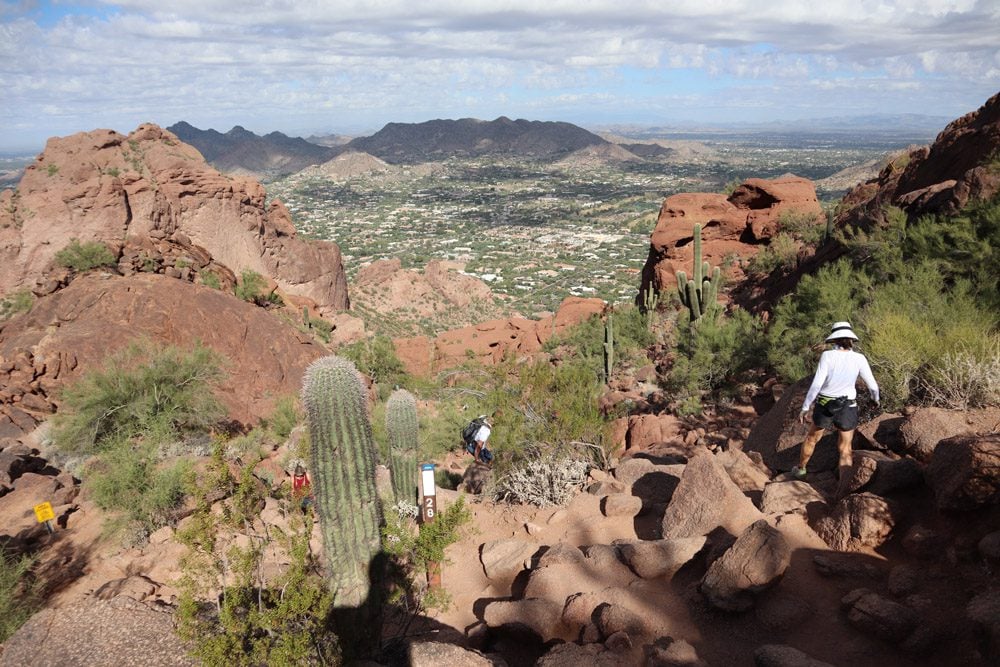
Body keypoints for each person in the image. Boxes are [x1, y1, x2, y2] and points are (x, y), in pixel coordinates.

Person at [794, 321, 879, 481]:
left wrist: (805, 407)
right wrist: (875, 400)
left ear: (834, 340)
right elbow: (873, 386)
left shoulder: (827, 356)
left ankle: (801, 469)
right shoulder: (859, 358)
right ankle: (843, 488)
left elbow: (817, 384)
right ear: (851, 340)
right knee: (846, 448)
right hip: (848, 406)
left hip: (825, 405)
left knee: (812, 439)